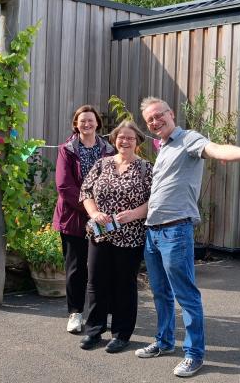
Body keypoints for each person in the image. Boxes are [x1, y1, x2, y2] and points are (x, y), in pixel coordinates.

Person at [135, 97, 240, 377]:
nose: (154, 122)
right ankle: (164, 342)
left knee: (185, 294)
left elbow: (216, 150)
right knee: (161, 293)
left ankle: (194, 353)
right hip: (153, 231)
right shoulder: (164, 147)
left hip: (176, 230)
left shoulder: (188, 139)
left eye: (158, 115)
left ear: (171, 113)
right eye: (149, 119)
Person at [79, 120, 153, 354]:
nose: (125, 141)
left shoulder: (145, 168)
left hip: (130, 236)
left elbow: (156, 201)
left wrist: (134, 215)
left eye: (130, 137)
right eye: (121, 137)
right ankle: (94, 331)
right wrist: (95, 213)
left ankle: (121, 334)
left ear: (137, 141)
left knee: (124, 284)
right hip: (100, 234)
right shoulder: (102, 164)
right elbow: (86, 192)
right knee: (95, 282)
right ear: (114, 140)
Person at [53, 104, 114, 334]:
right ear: (76, 125)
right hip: (74, 217)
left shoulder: (108, 150)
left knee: (100, 268)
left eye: (91, 120)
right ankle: (75, 313)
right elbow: (64, 185)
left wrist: (102, 212)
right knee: (76, 268)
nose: (87, 124)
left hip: (102, 218)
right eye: (82, 121)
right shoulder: (67, 149)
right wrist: (90, 211)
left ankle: (99, 313)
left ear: (97, 123)